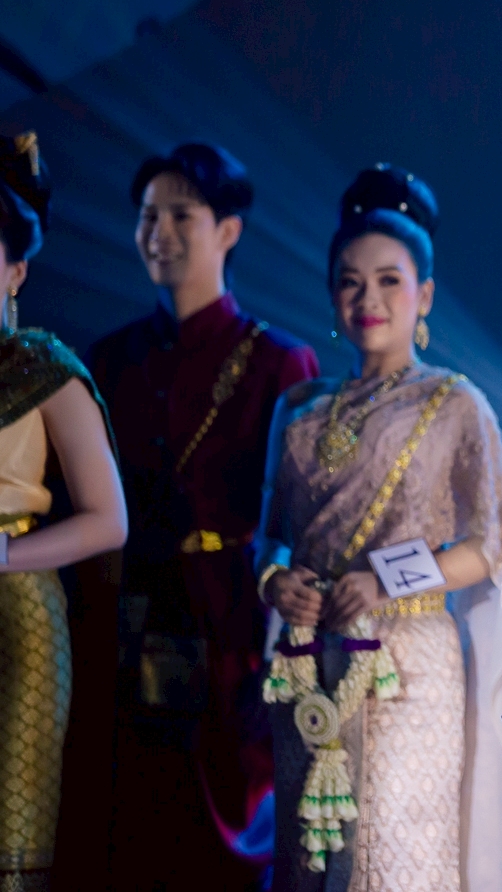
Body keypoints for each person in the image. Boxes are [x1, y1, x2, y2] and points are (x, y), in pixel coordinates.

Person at [256, 166, 502, 890]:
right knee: (310, 856)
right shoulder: (300, 407)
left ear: (424, 295)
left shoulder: (454, 402)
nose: (367, 299)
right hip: (308, 656)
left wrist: (384, 581)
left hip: (410, 662)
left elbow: (493, 544)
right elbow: (269, 534)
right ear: (331, 294)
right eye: (350, 282)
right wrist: (276, 580)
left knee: (397, 852)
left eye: (389, 281)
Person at [87, 142, 320, 890]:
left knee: (223, 837)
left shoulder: (279, 361)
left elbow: (298, 522)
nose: (158, 232)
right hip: (127, 618)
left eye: (179, 215)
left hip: (231, 628)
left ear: (228, 229)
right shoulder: (109, 358)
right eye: (147, 216)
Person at [0, 132, 128, 892]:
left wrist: (6, 555)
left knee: (13, 847)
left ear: (16, 270)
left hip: (17, 612)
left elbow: (108, 520)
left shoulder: (43, 368)